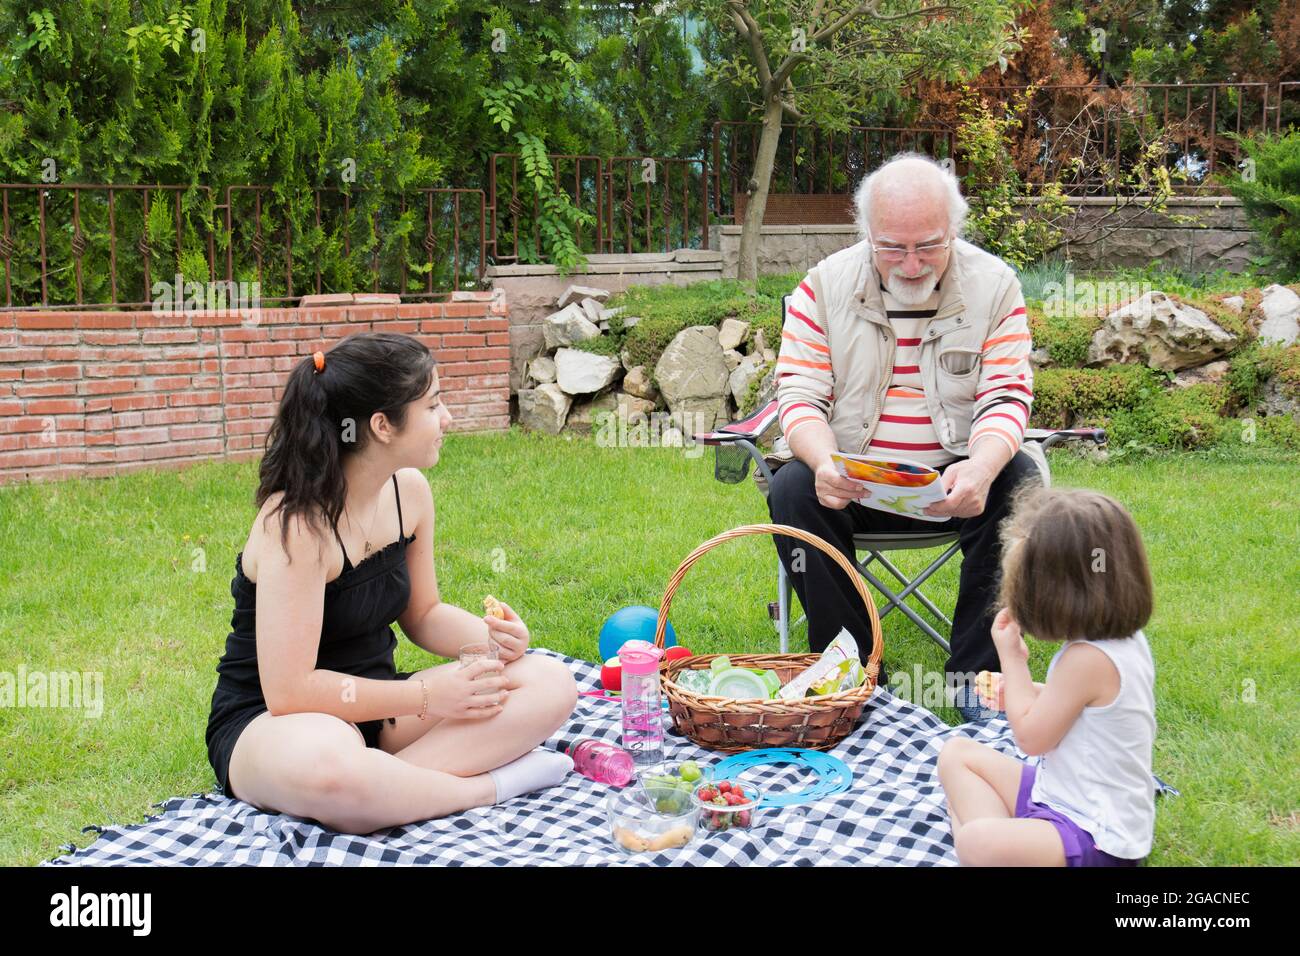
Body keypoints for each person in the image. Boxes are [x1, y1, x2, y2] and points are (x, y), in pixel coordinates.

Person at [205, 332, 578, 834]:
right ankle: (489, 787)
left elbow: (423, 614)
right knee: (331, 765)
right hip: (277, 725)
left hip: (377, 708)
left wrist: (488, 640)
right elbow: (289, 693)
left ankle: (381, 790)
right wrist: (428, 699)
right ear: (381, 425)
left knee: (548, 682)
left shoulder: (409, 494)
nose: (447, 419)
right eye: (433, 405)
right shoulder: (296, 525)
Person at [765, 152, 1042, 720]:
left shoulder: (996, 286)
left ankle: (980, 677)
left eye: (929, 245)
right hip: (855, 483)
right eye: (892, 246)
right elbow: (799, 397)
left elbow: (1006, 397)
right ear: (866, 233)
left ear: (955, 230)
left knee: (1018, 480)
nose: (911, 264)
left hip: (958, 483)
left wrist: (983, 468)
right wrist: (823, 463)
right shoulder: (822, 287)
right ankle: (853, 672)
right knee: (792, 489)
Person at [937, 486, 1157, 866]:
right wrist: (1030, 692)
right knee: (957, 754)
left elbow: (1031, 738)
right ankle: (1012, 849)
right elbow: (1083, 709)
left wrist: (1012, 659)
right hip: (1056, 794)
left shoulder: (1086, 659)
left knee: (975, 841)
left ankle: (999, 850)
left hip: (1092, 834)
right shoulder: (1123, 640)